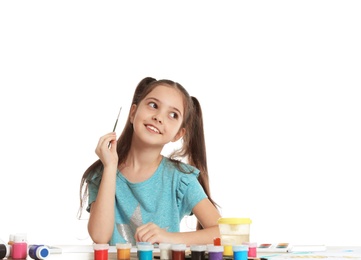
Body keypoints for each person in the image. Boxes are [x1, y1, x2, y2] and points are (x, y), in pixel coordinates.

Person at [79, 77, 221, 246]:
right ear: (133, 113)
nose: (159, 117)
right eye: (153, 105)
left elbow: (225, 233)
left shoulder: (180, 178)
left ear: (178, 134)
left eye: (173, 115)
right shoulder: (102, 174)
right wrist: (110, 167)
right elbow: (100, 236)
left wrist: (168, 238)